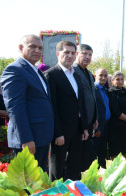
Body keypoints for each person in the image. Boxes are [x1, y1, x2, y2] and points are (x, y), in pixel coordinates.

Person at [1, 35, 54, 170]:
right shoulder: (14, 69)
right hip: (29, 140)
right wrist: (26, 139)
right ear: (21, 48)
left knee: (38, 183)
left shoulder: (36, 71)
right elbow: (15, 108)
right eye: (32, 46)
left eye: (40, 48)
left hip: (41, 138)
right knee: (28, 186)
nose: (37, 50)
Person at [45, 40, 88, 181]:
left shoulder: (75, 75)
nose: (70, 55)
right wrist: (58, 133)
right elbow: (52, 107)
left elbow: (80, 103)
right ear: (58, 54)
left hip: (76, 131)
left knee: (74, 168)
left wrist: (84, 127)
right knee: (57, 169)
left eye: (72, 53)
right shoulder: (51, 75)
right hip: (60, 133)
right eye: (66, 52)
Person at [73, 44, 98, 171]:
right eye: (84, 54)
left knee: (86, 156)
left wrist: (95, 117)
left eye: (90, 55)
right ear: (77, 54)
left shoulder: (88, 73)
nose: (87, 57)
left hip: (89, 121)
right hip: (78, 122)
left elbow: (92, 97)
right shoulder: (72, 71)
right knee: (75, 157)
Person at [107, 72, 126, 158]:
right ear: (112, 80)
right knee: (117, 157)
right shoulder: (111, 93)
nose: (120, 81)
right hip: (116, 129)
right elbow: (116, 112)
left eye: (122, 79)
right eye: (117, 79)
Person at [93, 68, 111, 168]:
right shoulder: (93, 89)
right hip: (97, 127)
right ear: (95, 76)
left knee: (103, 154)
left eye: (105, 76)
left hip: (106, 126)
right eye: (101, 75)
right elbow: (91, 109)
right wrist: (96, 128)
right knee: (95, 156)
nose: (103, 78)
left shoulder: (105, 90)